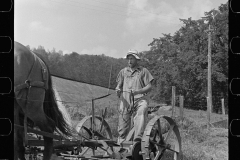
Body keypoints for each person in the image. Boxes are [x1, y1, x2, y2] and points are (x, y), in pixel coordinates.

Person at [115, 49, 154, 145]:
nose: (129, 61)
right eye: (128, 59)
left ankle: (137, 143)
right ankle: (121, 146)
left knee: (142, 111)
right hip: (126, 101)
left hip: (140, 100)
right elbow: (118, 86)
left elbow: (149, 86)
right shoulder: (123, 72)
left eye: (131, 59)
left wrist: (138, 91)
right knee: (122, 129)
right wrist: (118, 90)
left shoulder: (143, 71)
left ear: (137, 60)